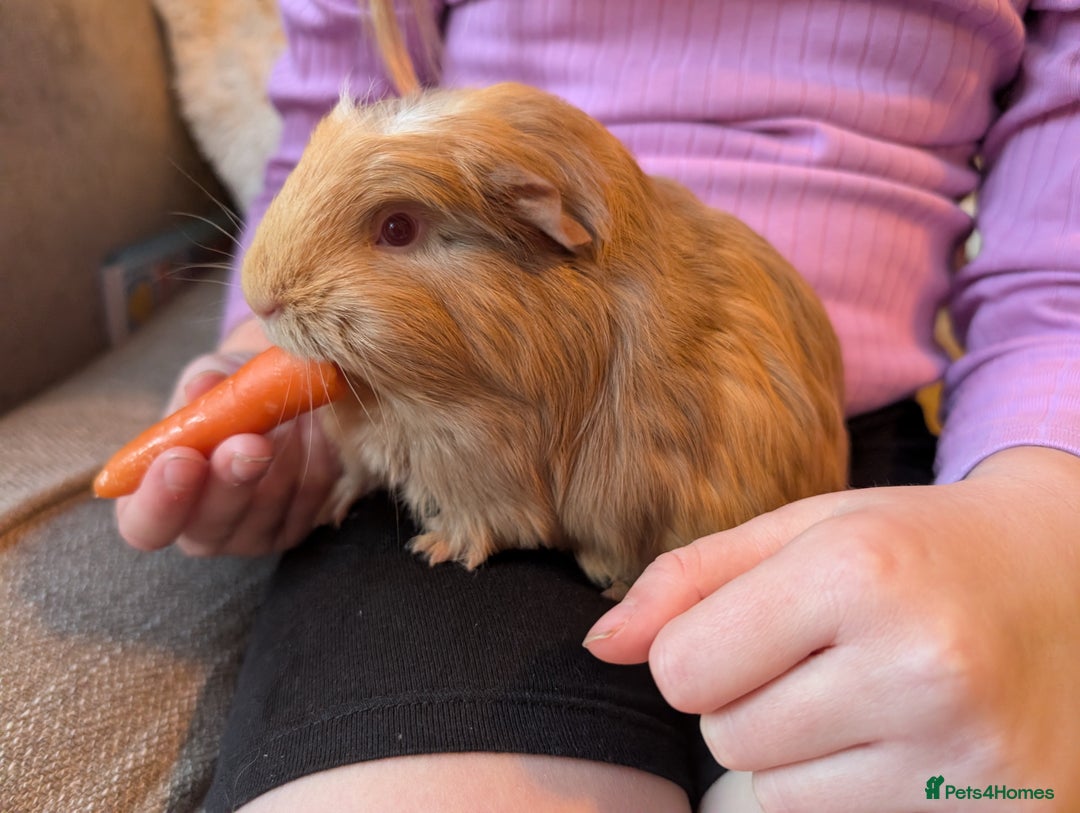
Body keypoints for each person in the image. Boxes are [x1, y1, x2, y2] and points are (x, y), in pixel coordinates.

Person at [115, 1, 1080, 810]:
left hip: (913, 482)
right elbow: (319, 147)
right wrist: (262, 352)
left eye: (399, 229)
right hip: (431, 473)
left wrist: (1038, 520)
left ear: (544, 233)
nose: (290, 289)